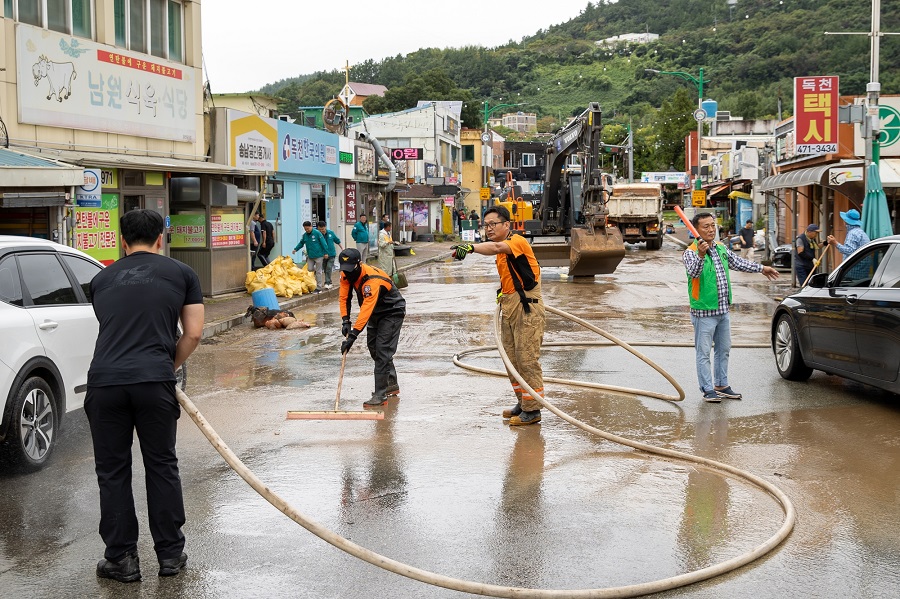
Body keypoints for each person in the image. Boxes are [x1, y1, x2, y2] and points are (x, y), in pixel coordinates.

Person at [85, 209, 204, 583]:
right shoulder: (182, 274)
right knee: (161, 465)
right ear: (160, 239)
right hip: (153, 381)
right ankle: (169, 557)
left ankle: (121, 560)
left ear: (123, 241)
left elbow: (113, 328)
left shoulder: (101, 279)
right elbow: (194, 333)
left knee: (113, 472)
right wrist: (167, 368)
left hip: (104, 383)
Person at [451, 205, 545, 426]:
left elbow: (494, 247)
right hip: (510, 308)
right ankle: (523, 402)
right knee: (511, 359)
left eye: (493, 224)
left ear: (506, 225)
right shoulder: (502, 253)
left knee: (526, 359)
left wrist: (470, 248)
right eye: (486, 225)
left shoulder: (516, 243)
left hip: (527, 309)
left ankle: (533, 410)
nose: (489, 228)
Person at [683, 212, 779, 403]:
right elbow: (694, 272)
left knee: (724, 349)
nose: (711, 230)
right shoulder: (690, 252)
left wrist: (761, 268)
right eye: (706, 226)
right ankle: (707, 388)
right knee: (703, 353)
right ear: (696, 230)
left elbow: (738, 262)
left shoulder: (720, 248)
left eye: (713, 225)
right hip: (704, 312)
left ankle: (721, 384)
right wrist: (701, 254)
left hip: (722, 310)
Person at [338, 247, 406, 407]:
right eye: (344, 270)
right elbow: (344, 297)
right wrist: (345, 321)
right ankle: (390, 383)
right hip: (376, 313)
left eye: (350, 270)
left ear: (359, 264)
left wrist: (353, 336)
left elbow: (366, 310)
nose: (347, 273)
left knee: (383, 349)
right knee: (373, 347)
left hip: (392, 311)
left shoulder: (371, 280)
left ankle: (380, 394)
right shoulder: (345, 274)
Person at [291, 220, 328, 292]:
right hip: (310, 256)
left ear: (311, 227)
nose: (307, 230)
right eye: (305, 229)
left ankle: (319, 287)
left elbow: (323, 243)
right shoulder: (305, 235)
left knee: (319, 272)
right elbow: (301, 243)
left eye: (308, 228)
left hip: (319, 255)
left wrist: (325, 253)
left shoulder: (317, 233)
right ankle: (313, 282)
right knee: (309, 269)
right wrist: (295, 249)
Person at [317, 220, 343, 289]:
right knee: (325, 269)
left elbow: (337, 240)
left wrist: (342, 248)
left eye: (322, 229)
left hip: (331, 254)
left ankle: (327, 282)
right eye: (320, 229)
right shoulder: (318, 235)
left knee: (329, 267)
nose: (321, 231)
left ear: (325, 227)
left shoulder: (331, 233)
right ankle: (329, 281)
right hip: (322, 255)